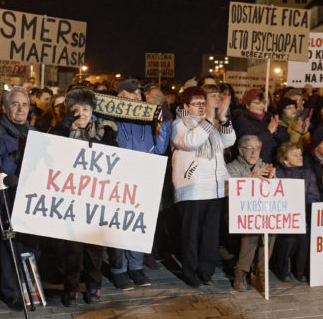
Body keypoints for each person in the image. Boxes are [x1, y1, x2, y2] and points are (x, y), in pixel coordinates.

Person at [50, 87, 117, 305]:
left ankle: (94, 286)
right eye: (76, 109)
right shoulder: (59, 130)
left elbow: (116, 158)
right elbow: (49, 151)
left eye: (85, 108)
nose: (81, 113)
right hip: (69, 196)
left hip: (96, 197)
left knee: (94, 248)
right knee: (72, 247)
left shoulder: (104, 131)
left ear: (92, 110)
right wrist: (63, 128)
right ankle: (71, 288)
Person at [109, 78, 171, 290]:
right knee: (119, 222)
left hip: (144, 174)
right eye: (131, 93)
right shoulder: (111, 116)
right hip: (118, 174)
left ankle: (135, 266)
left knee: (137, 221)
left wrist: (167, 123)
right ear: (120, 96)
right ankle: (118, 269)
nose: (137, 96)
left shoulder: (149, 119)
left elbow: (161, 148)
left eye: (139, 93)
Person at [171, 86, 235, 287]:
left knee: (210, 234)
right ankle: (190, 272)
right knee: (191, 234)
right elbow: (190, 142)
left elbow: (228, 140)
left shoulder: (208, 124)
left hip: (214, 187)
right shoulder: (179, 124)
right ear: (185, 106)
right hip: (193, 188)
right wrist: (208, 120)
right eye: (196, 104)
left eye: (202, 103)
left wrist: (223, 118)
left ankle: (205, 270)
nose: (200, 107)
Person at [0, 89, 37, 310]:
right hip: (8, 196)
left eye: (25, 104)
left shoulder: (33, 132)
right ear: (4, 108)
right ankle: (10, 291)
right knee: (9, 243)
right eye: (15, 104)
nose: (20, 109)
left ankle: (31, 286)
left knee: (27, 243)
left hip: (30, 196)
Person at [226, 135, 275, 291]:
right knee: (253, 227)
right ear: (241, 151)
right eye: (249, 149)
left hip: (260, 212)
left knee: (272, 227)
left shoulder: (265, 166)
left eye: (258, 148)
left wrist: (273, 178)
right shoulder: (232, 167)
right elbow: (228, 190)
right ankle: (242, 271)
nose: (254, 153)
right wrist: (251, 178)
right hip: (235, 215)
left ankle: (261, 271)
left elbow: (277, 193)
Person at [273, 141, 321, 283]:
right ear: (285, 159)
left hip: (301, 216)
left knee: (304, 235)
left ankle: (300, 270)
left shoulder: (308, 173)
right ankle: (281, 268)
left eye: (300, 154)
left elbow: (314, 197)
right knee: (289, 238)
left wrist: (302, 208)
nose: (300, 157)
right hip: (282, 218)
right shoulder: (277, 173)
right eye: (295, 155)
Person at [233, 88, 281, 166]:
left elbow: (281, 138)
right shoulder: (242, 121)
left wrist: (276, 130)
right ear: (247, 105)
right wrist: (269, 132)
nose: (261, 105)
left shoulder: (268, 117)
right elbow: (247, 143)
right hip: (251, 164)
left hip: (269, 161)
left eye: (263, 102)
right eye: (257, 103)